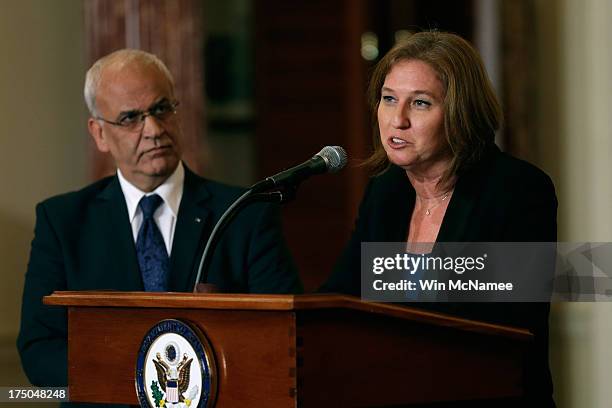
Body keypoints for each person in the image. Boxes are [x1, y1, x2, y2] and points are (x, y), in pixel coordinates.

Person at [17, 49, 302, 393]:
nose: (153, 129)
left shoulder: (245, 213)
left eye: (161, 109)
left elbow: (287, 335)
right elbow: (39, 350)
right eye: (130, 118)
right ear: (99, 134)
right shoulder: (62, 222)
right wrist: (143, 382)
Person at [321, 31, 557, 406]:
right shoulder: (386, 194)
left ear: (461, 111)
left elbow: (508, 325)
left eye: (420, 103)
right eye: (388, 99)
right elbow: (340, 299)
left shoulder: (516, 189)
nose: (397, 120)